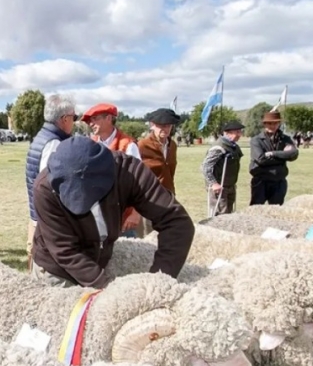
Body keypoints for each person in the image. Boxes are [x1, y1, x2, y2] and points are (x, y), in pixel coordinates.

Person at [31, 134, 194, 288]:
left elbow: (177, 223)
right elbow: (64, 249)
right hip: (57, 271)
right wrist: (106, 286)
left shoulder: (129, 172)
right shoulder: (45, 188)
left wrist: (158, 281)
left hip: (100, 261)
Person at [24, 94, 76, 270]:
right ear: (64, 119)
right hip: (45, 218)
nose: (74, 122)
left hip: (37, 214)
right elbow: (50, 186)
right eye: (74, 118)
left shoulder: (42, 136)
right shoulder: (53, 143)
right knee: (43, 265)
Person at [81, 102, 142, 237]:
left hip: (123, 218)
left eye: (95, 119)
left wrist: (135, 213)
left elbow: (140, 182)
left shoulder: (128, 145)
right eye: (89, 120)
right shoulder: (91, 144)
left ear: (109, 118)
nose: (91, 123)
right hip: (97, 217)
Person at [135, 107, 182, 237]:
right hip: (148, 198)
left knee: (166, 234)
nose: (165, 129)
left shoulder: (172, 145)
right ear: (152, 126)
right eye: (160, 126)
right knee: (147, 235)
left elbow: (170, 170)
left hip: (168, 195)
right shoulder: (142, 145)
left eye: (168, 126)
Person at [249, 110, 298, 205]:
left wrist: (272, 154)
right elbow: (261, 159)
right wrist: (283, 156)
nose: (273, 126)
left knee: (276, 211)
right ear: (264, 124)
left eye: (275, 123)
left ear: (279, 123)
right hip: (261, 181)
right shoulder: (256, 140)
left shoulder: (285, 139)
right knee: (256, 210)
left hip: (279, 181)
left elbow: (293, 154)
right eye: (270, 123)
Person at [201, 121, 245, 216]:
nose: (239, 135)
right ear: (226, 133)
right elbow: (205, 166)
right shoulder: (219, 147)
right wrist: (214, 183)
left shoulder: (234, 146)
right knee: (219, 215)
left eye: (240, 132)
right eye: (236, 132)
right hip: (219, 188)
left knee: (228, 215)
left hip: (230, 186)